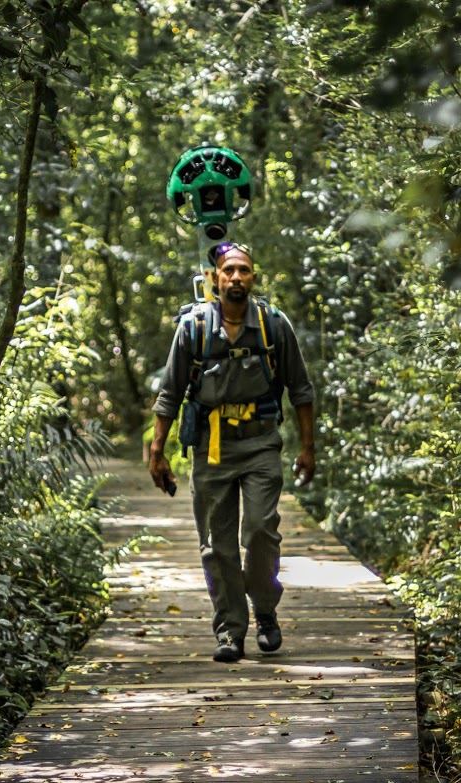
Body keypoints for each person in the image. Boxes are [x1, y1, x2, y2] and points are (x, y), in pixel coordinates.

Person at [148, 242, 316, 663]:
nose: (237, 277)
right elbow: (169, 394)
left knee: (260, 530)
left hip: (260, 443)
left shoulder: (274, 326)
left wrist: (308, 448)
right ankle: (230, 631)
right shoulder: (193, 329)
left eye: (244, 270)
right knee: (216, 544)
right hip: (211, 446)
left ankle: (265, 609)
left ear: (253, 277)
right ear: (216, 278)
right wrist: (157, 451)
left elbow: (301, 390)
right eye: (229, 271)